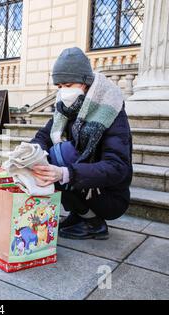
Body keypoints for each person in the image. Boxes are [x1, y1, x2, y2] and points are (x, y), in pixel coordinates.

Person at [29, 47, 133, 240]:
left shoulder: (111, 110)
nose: (63, 92)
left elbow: (117, 167)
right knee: (46, 159)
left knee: (61, 156)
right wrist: (30, 152)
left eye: (68, 84)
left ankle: (95, 223)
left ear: (86, 83)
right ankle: (81, 215)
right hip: (86, 182)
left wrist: (66, 173)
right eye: (59, 86)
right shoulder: (66, 109)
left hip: (109, 195)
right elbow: (43, 136)